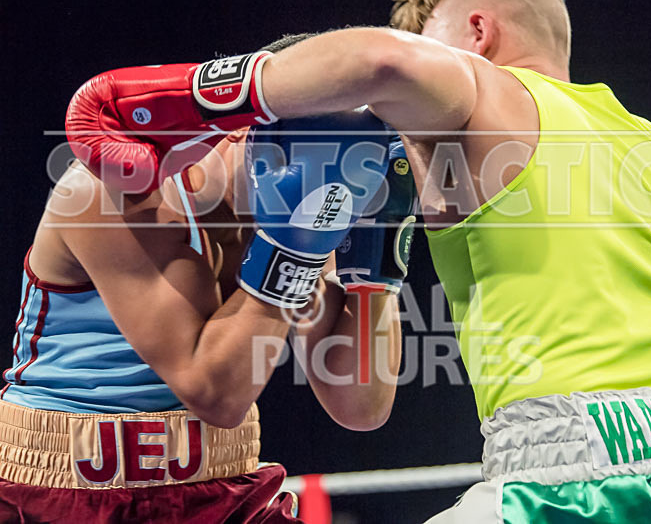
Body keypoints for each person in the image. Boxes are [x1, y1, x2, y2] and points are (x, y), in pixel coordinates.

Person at [152, 0, 651, 521]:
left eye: (429, 43)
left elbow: (380, 59)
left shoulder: (482, 96)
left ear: (477, 32)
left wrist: (176, 93)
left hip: (571, 479)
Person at [0, 35, 415, 523]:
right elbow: (216, 394)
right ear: (243, 128)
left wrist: (378, 262)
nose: (330, 178)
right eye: (315, 150)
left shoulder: (303, 211)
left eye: (351, 162)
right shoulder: (114, 192)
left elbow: (361, 406)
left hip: (224, 486)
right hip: (64, 488)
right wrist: (294, 246)